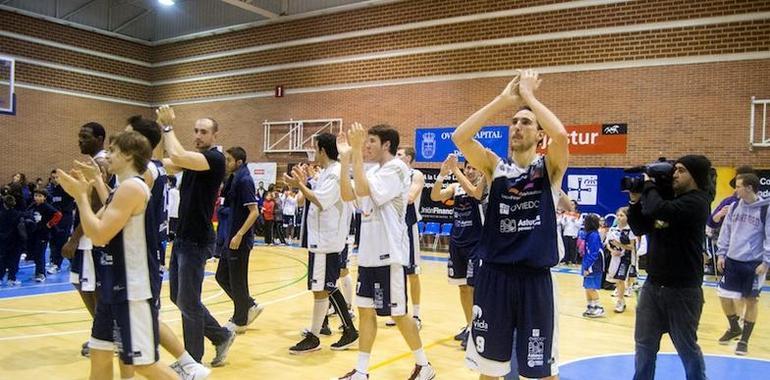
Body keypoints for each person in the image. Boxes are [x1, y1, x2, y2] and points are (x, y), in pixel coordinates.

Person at [453, 70, 568, 379]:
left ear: (539, 134)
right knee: (489, 371)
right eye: (514, 121)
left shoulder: (549, 168)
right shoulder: (494, 167)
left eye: (526, 122)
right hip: (494, 278)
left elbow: (562, 137)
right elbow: (459, 137)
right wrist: (502, 100)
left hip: (534, 280)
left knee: (542, 371)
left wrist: (531, 98)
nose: (517, 126)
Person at [56, 131, 178, 380]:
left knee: (145, 365)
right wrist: (94, 182)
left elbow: (99, 234)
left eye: (112, 151)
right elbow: (101, 216)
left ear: (128, 155)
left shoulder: (132, 188)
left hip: (131, 291)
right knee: (100, 360)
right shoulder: (123, 187)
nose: (107, 155)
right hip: (113, 287)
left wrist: (80, 197)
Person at [336, 123, 436, 380]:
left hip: (389, 255)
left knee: (399, 314)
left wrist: (355, 153)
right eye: (365, 141)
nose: (367, 146)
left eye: (371, 141)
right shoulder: (373, 172)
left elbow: (361, 188)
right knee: (365, 311)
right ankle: (361, 371)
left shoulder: (396, 169)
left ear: (386, 145)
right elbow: (348, 195)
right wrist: (346, 159)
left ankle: (424, 365)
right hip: (368, 255)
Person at [156, 105, 236, 367]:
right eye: (196, 131)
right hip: (182, 237)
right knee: (178, 298)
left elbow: (176, 153)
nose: (198, 135)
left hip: (198, 240)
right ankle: (221, 335)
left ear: (215, 136)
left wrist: (168, 127)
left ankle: (191, 361)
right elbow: (161, 164)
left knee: (188, 303)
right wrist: (158, 133)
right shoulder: (193, 159)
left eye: (204, 132)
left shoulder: (214, 159)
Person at [627, 154, 713, 380]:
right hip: (653, 286)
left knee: (686, 347)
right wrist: (635, 201)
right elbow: (639, 227)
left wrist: (648, 185)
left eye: (682, 170)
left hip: (683, 291)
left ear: (695, 176)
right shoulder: (666, 200)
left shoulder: (698, 201)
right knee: (644, 346)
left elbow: (661, 210)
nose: (675, 174)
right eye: (674, 170)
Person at [284, 132, 359, 354]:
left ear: (322, 150)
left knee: (320, 289)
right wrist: (301, 184)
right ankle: (348, 330)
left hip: (327, 241)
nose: (313, 152)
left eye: (314, 148)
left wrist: (301, 185)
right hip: (324, 240)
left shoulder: (335, 173)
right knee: (327, 287)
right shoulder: (329, 172)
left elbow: (321, 200)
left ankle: (315, 336)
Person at [61, 122, 110, 357]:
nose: (79, 140)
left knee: (94, 288)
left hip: (91, 236)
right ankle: (102, 333)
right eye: (79, 135)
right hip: (85, 235)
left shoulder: (100, 164)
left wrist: (73, 238)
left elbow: (96, 206)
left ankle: (106, 336)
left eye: (85, 136)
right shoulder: (93, 162)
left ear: (100, 138)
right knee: (81, 283)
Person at [431, 154, 486, 348]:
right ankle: (470, 325)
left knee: (474, 287)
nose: (469, 171)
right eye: (467, 168)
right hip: (457, 242)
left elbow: (474, 194)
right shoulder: (456, 187)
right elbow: (435, 196)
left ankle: (478, 327)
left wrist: (455, 171)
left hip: (476, 243)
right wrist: (441, 176)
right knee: (463, 287)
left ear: (480, 170)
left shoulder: (483, 185)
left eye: (473, 168)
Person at [715, 173, 769, 356]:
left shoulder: (765, 209)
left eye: (738, 186)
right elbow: (726, 231)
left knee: (751, 300)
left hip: (754, 263)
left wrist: (766, 262)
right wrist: (721, 253)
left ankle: (744, 340)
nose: (735, 190)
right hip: (733, 260)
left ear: (749, 188)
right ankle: (733, 327)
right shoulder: (734, 206)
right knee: (723, 295)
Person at [215, 146, 264, 334]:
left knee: (237, 280)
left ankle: (240, 319)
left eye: (229, 160)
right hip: (230, 236)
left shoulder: (245, 180)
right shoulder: (234, 179)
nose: (226, 163)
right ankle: (248, 305)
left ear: (239, 162)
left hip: (239, 239)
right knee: (221, 276)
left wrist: (239, 235)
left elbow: (254, 212)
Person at [386, 146, 426, 329]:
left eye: (400, 155)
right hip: (394, 228)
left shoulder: (415, 175)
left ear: (409, 158)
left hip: (409, 227)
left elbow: (410, 197)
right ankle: (399, 311)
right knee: (396, 271)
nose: (396, 157)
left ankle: (416, 315)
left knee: (412, 273)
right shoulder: (393, 176)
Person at [605, 207, 636, 312]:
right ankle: (620, 298)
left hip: (626, 258)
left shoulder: (630, 230)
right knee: (616, 280)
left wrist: (619, 245)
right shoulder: (613, 229)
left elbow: (631, 247)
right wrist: (611, 250)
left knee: (621, 279)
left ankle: (620, 301)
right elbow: (607, 243)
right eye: (618, 215)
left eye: (622, 215)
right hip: (615, 257)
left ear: (627, 217)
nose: (619, 217)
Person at [47, 169, 75, 275]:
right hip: (54, 219)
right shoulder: (51, 190)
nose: (55, 180)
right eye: (53, 178)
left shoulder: (67, 189)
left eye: (57, 177)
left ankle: (57, 265)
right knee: (53, 241)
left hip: (65, 218)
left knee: (61, 242)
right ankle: (72, 261)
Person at [581, 214, 605, 318]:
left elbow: (594, 253)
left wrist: (587, 267)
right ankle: (591, 306)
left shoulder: (594, 235)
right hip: (588, 263)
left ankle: (598, 307)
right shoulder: (590, 234)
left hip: (593, 265)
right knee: (587, 286)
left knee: (591, 287)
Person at [560, 200, 581, 264]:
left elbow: (579, 225)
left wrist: (574, 221)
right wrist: (565, 220)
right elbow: (562, 224)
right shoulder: (565, 213)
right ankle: (565, 260)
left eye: (573, 204)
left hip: (573, 233)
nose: (571, 205)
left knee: (573, 248)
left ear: (575, 205)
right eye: (570, 204)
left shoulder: (578, 214)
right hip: (566, 232)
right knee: (566, 247)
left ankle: (573, 261)